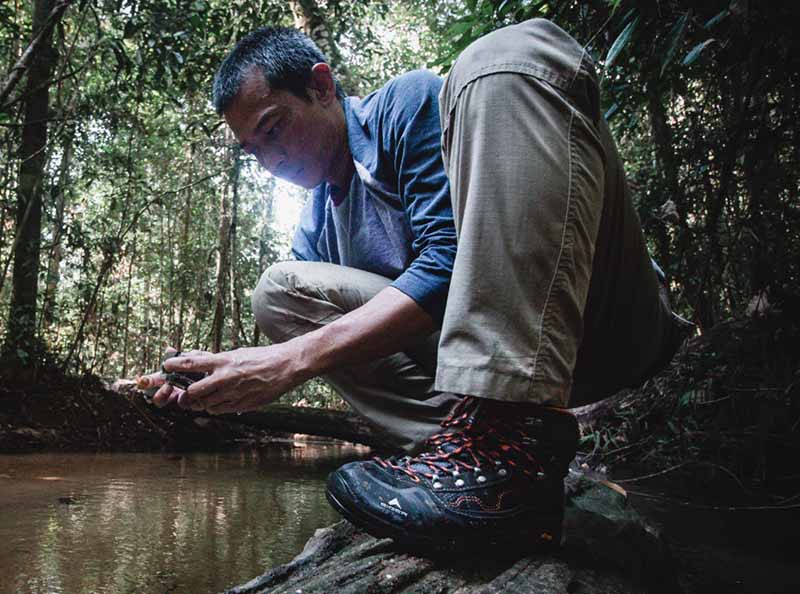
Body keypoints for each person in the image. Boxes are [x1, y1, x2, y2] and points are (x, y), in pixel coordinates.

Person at [145, 19, 688, 554]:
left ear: (322, 86)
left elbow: (450, 261)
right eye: (254, 151)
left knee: (503, 56)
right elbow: (314, 337)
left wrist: (289, 361)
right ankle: (484, 460)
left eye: (273, 130)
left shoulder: (404, 108)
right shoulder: (315, 226)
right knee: (278, 294)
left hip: (600, 323)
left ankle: (505, 437)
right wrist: (218, 382)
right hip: (487, 391)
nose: (271, 161)